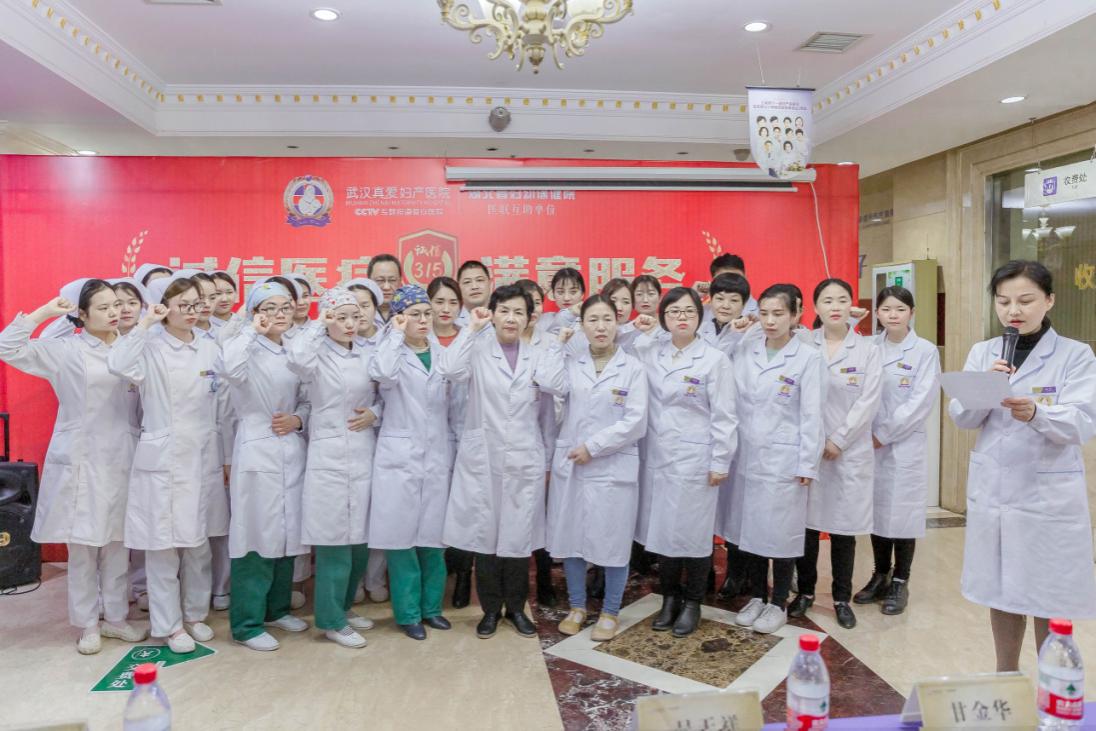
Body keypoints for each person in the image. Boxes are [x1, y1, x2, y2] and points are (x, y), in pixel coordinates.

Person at [949, 260, 1096, 672]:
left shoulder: (1075, 355)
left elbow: (1083, 421)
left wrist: (1037, 413)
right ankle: (1006, 676)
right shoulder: (984, 352)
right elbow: (962, 417)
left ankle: (1053, 681)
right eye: (1003, 301)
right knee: (1002, 591)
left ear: (1049, 301)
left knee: (1048, 595)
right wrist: (984, 389)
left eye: (1026, 300)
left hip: (1047, 496)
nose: (1013, 310)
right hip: (997, 491)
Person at [0, 280, 148, 654]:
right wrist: (43, 313)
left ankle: (116, 618)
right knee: (83, 548)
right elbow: (7, 347)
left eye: (117, 305)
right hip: (82, 458)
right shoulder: (67, 350)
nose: (114, 312)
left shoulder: (133, 347)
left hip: (124, 456)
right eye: (103, 307)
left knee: (118, 544)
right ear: (82, 314)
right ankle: (87, 624)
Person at [107, 273, 228, 654]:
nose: (192, 312)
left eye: (197, 304)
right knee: (163, 548)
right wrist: (145, 323)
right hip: (164, 455)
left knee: (199, 544)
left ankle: (194, 614)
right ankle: (169, 625)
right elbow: (117, 362)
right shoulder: (149, 346)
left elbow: (221, 402)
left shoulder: (209, 346)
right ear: (164, 308)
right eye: (183, 305)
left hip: (203, 453)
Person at [437, 285, 548, 639]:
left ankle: (515, 608)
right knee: (484, 535)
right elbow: (449, 368)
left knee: (517, 536)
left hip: (524, 457)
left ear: (529, 318)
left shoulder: (538, 355)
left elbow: (547, 411)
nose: (511, 318)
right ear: (493, 314)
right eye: (504, 311)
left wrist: (545, 457)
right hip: (483, 457)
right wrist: (471, 328)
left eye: (519, 312)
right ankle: (489, 610)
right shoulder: (478, 349)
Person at [539, 295, 649, 641]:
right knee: (571, 537)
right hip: (574, 464)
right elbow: (547, 381)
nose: (601, 327)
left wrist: (594, 446)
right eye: (592, 320)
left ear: (618, 323)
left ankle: (610, 611)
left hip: (612, 464)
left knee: (613, 540)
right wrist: (557, 344)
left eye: (607, 319)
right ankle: (577, 606)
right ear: (582, 325)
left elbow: (636, 421)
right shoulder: (572, 363)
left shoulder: (632, 368)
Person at [632, 287, 738, 637]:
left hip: (697, 459)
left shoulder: (713, 359)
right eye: (674, 311)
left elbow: (725, 415)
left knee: (694, 535)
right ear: (663, 317)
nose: (682, 317)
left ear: (699, 317)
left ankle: (693, 602)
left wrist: (720, 460)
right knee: (663, 533)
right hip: (658, 458)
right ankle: (669, 599)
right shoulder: (651, 352)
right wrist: (642, 329)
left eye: (689, 311)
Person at [220, 281, 312, 652]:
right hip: (257, 445)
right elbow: (228, 369)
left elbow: (308, 396)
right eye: (268, 308)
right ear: (254, 313)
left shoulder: (295, 347)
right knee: (255, 535)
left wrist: (299, 419)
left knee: (287, 531)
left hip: (290, 444)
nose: (278, 315)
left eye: (285, 307)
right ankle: (246, 624)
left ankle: (276, 609)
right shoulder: (244, 346)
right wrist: (250, 332)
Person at [729, 285, 825, 634]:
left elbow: (812, 415)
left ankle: (778, 601)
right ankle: (758, 595)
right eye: (765, 313)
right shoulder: (748, 350)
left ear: (795, 315)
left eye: (778, 314)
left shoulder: (808, 357)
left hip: (786, 458)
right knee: (752, 530)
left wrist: (807, 463)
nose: (770, 321)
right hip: (748, 456)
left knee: (782, 533)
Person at [287, 287, 379, 649]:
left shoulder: (368, 352)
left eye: (355, 316)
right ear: (327, 319)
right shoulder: (315, 353)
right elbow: (296, 359)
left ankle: (343, 606)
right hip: (328, 454)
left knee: (359, 541)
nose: (350, 324)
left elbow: (386, 392)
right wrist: (317, 325)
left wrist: (375, 414)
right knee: (334, 540)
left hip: (363, 448)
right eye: (341, 317)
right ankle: (330, 620)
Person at [788, 279, 882, 630]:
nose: (835, 306)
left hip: (849, 451)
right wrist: (815, 441)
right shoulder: (801, 342)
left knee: (844, 529)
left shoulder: (867, 349)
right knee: (807, 527)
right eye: (827, 300)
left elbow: (868, 401)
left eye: (842, 300)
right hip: (808, 449)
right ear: (815, 308)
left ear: (851, 307)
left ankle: (842, 598)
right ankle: (805, 592)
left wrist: (839, 440)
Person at [369, 285, 455, 640]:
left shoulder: (442, 354)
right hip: (399, 456)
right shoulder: (388, 351)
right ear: (399, 318)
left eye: (426, 313)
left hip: (436, 454)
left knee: (433, 540)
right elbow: (384, 374)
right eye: (414, 314)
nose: (422, 320)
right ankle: (408, 614)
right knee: (401, 541)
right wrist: (394, 334)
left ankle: (431, 609)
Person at [853, 286, 940, 615]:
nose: (893, 315)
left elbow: (920, 402)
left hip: (903, 446)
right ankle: (880, 575)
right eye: (887, 309)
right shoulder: (869, 346)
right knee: (877, 512)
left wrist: (883, 435)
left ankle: (901, 580)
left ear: (911, 313)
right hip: (868, 443)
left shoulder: (925, 351)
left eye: (900, 309)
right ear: (877, 313)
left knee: (902, 515)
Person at [537, 267, 586, 335]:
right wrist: (536, 297)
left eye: (573, 292)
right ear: (553, 294)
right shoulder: (544, 319)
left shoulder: (589, 321)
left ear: (582, 294)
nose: (566, 298)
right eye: (560, 292)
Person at [455, 260, 493, 328]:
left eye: (479, 280)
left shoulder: (502, 316)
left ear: (490, 283)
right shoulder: (452, 321)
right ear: (458, 287)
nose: (474, 287)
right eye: (467, 282)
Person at [368, 254, 403, 324]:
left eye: (392, 280)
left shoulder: (410, 312)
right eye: (380, 280)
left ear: (400, 281)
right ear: (369, 281)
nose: (386, 287)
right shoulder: (360, 314)